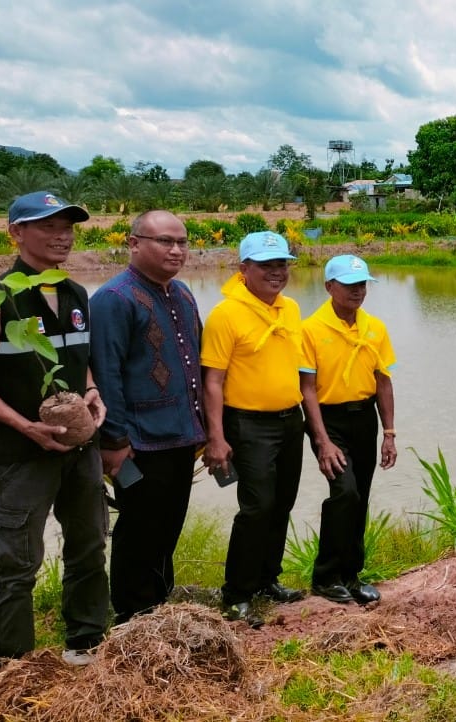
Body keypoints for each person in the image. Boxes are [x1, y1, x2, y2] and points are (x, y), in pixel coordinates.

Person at [0, 191, 108, 665]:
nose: (62, 235)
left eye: (68, 226)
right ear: (16, 233)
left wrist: (91, 390)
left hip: (80, 451)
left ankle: (86, 644)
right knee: (17, 563)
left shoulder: (76, 294)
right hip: (20, 456)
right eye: (47, 226)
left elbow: (77, 362)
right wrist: (26, 426)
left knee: (89, 547)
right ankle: (13, 665)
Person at [90, 210, 204, 625]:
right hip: (139, 443)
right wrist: (116, 442)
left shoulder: (183, 294)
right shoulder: (114, 299)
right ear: (134, 243)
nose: (175, 250)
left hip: (180, 436)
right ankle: (132, 616)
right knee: (138, 530)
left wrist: (204, 428)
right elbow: (106, 374)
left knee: (168, 525)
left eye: (182, 242)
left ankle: (159, 608)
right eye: (164, 241)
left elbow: (195, 364)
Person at [201, 231, 307, 627]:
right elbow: (212, 380)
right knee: (256, 506)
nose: (276, 272)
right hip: (247, 423)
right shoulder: (226, 315)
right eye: (266, 265)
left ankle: (267, 580)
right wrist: (216, 436)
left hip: (288, 418)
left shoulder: (290, 309)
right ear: (243, 269)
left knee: (282, 502)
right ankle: (237, 593)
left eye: (282, 264)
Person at [300, 255, 395, 605]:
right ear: (329, 287)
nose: (358, 291)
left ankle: (352, 575)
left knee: (361, 496)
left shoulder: (375, 328)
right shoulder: (311, 328)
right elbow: (306, 388)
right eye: (349, 284)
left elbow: (383, 381)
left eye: (362, 284)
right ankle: (325, 575)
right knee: (345, 492)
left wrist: (389, 433)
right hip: (328, 420)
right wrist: (322, 440)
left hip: (364, 418)